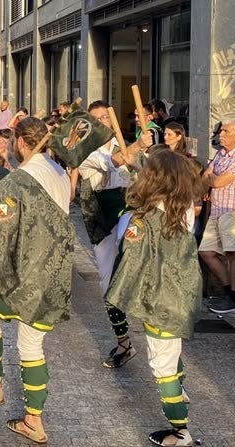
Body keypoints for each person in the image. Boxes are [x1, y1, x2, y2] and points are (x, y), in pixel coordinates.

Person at [0, 117, 73, 444]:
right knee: (31, 344)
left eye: (12, 142)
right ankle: (33, 420)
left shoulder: (17, 181)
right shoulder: (60, 173)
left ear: (22, 142)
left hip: (21, 271)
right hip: (54, 272)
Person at [104, 149, 204, 447]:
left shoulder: (144, 217)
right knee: (171, 350)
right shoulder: (183, 204)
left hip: (159, 296)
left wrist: (117, 296)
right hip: (182, 291)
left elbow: (131, 260)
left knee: (161, 364)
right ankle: (180, 391)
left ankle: (180, 431)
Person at [76, 100, 153, 368]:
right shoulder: (86, 149)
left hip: (129, 211)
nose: (101, 123)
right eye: (95, 119)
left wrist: (146, 155)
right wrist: (138, 147)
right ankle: (124, 342)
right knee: (108, 283)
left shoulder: (125, 144)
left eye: (105, 118)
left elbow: (147, 176)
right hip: (101, 216)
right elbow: (114, 161)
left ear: (112, 120)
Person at [201, 119, 235, 314]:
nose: (221, 133)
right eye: (221, 130)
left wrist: (211, 180)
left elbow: (218, 181)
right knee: (206, 252)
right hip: (217, 210)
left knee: (234, 253)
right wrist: (211, 179)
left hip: (233, 209)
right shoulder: (221, 154)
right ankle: (228, 290)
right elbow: (205, 176)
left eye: (226, 131)